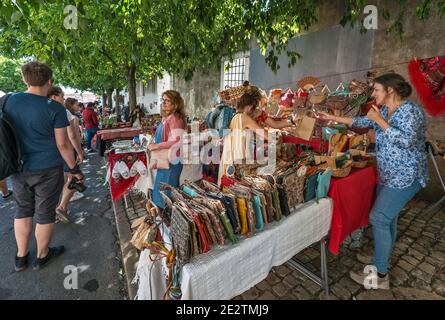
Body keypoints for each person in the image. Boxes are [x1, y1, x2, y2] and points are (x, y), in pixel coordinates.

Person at [317, 73, 429, 290]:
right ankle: (381, 257)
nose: (373, 93)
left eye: (377, 90)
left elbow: (406, 141)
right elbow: (360, 121)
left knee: (379, 217)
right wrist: (333, 119)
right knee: (389, 218)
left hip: (407, 176)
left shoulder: (411, 112)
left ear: (390, 91)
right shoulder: (385, 110)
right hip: (388, 175)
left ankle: (380, 274)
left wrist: (379, 121)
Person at [3, 61, 84, 271]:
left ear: (24, 79)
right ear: (49, 81)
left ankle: (21, 257)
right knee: (45, 212)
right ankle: (42, 255)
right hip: (48, 168)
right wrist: (74, 169)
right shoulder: (54, 108)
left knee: (22, 209)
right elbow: (63, 144)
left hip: (18, 167)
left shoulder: (7, 100)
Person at [218, 87, 300, 185]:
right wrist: (277, 140)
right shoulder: (245, 118)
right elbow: (266, 135)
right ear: (250, 106)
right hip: (238, 157)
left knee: (229, 187)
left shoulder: (235, 117)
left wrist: (291, 122)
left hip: (229, 156)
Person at [149, 90, 187, 209]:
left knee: (166, 195)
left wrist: (157, 146)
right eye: (163, 100)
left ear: (175, 104)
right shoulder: (169, 117)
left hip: (171, 162)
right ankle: (164, 221)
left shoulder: (175, 118)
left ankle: (168, 222)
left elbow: (176, 140)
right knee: (162, 192)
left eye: (167, 101)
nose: (163, 103)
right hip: (167, 161)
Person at [55, 98, 85, 222]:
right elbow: (72, 135)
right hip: (66, 150)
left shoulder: (37, 109)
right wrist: (79, 151)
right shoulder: (63, 112)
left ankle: (54, 212)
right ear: (55, 96)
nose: (63, 99)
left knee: (57, 181)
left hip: (49, 154)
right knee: (76, 178)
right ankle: (61, 208)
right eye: (61, 96)